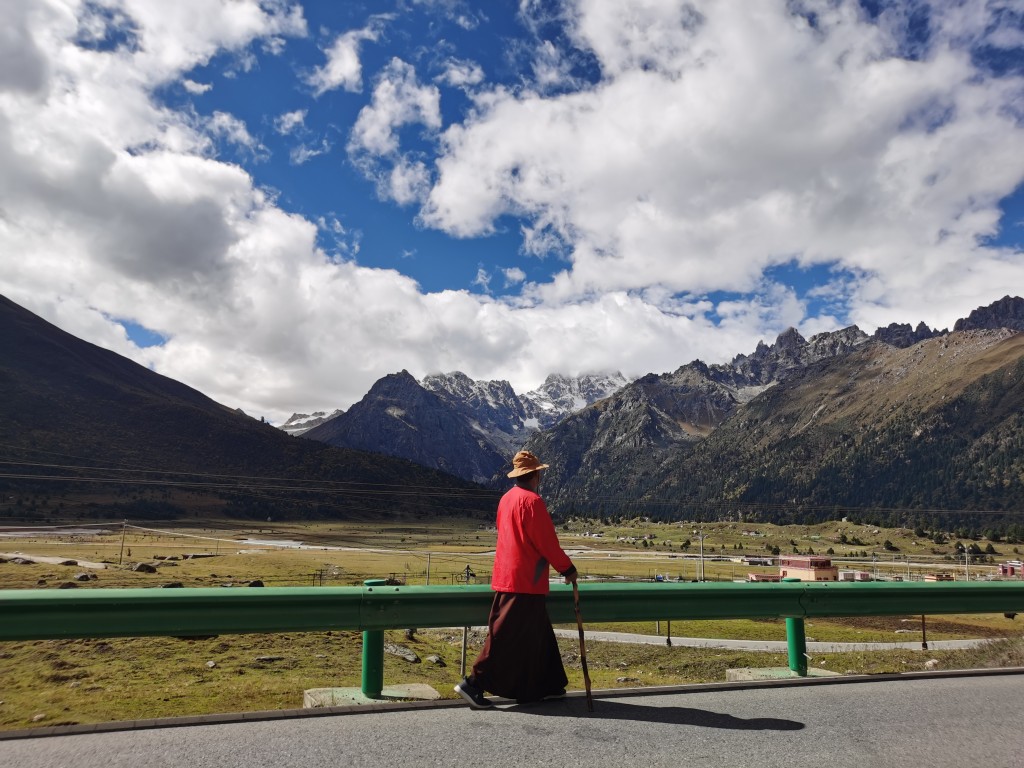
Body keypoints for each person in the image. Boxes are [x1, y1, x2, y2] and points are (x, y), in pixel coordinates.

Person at [455, 450, 577, 708]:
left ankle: (550, 684)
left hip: (507, 576)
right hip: (526, 581)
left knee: (538, 635)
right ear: (536, 475)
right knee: (506, 638)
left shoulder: (506, 499)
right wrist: (567, 569)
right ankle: (473, 683)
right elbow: (547, 542)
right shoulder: (533, 502)